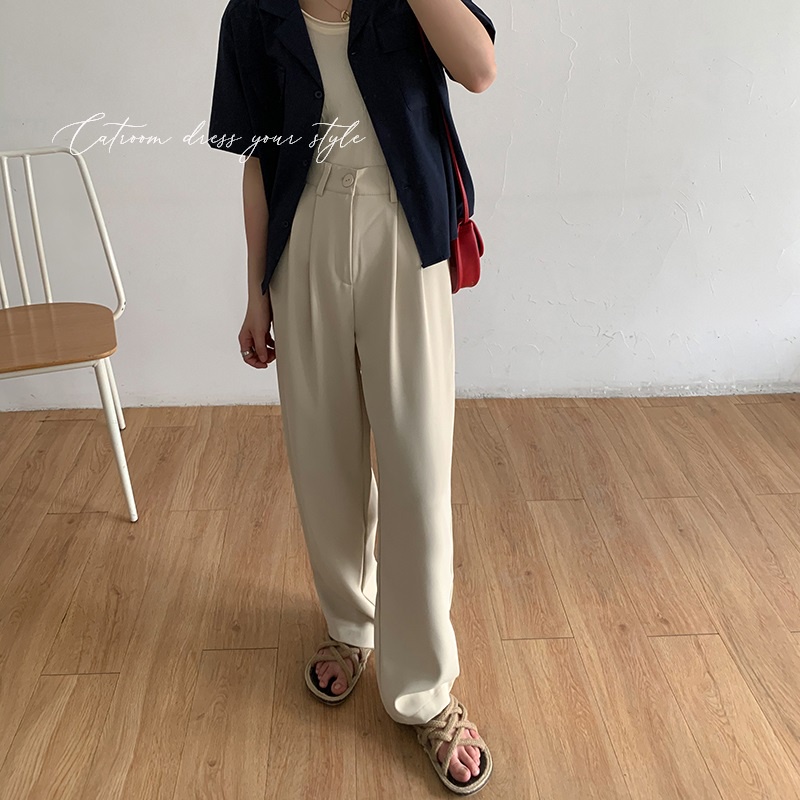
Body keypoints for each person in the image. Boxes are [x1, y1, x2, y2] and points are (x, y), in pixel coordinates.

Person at [208, 0, 497, 792]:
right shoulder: (255, 12)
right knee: (323, 455)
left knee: (416, 468)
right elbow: (256, 158)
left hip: (406, 236)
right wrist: (255, 290)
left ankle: (426, 689)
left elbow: (479, 69)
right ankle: (349, 624)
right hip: (303, 241)